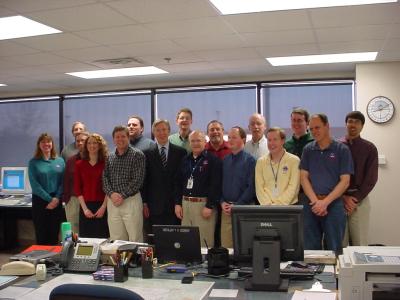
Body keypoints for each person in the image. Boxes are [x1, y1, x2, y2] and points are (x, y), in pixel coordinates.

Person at [300, 114, 353, 253]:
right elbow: (303, 178)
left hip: (334, 205)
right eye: (311, 129)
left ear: (327, 126)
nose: (314, 131)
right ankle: (313, 274)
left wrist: (325, 202)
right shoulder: (308, 149)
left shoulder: (342, 150)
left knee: (334, 249)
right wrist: (316, 202)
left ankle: (334, 276)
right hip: (311, 204)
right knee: (310, 249)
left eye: (317, 127)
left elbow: (345, 181)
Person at [175, 130, 222, 247]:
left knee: (204, 242)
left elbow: (216, 185)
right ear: (189, 143)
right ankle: (189, 264)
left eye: (198, 140)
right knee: (186, 241)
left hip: (204, 206)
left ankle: (205, 265)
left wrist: (209, 205)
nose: (195, 143)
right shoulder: (185, 160)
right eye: (193, 141)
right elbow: (178, 183)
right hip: (186, 204)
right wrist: (177, 203)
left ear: (205, 142)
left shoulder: (213, 160)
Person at [341, 111, 378, 246]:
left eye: (357, 122)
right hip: (338, 201)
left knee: (360, 243)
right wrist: (343, 197)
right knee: (339, 244)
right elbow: (331, 175)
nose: (353, 125)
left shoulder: (369, 148)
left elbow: (371, 179)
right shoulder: (336, 146)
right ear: (346, 124)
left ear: (362, 126)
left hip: (360, 201)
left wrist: (354, 199)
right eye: (350, 121)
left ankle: (360, 268)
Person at [103, 126, 146, 242]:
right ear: (113, 139)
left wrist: (121, 195)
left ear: (128, 137)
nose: (120, 139)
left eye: (123, 136)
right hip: (113, 202)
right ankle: (120, 261)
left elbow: (138, 180)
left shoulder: (137, 155)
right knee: (116, 238)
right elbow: (105, 178)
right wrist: (112, 194)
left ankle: (136, 260)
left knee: (135, 237)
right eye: (117, 137)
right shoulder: (109, 156)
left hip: (131, 201)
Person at [143, 119, 186, 229]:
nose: (161, 133)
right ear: (154, 132)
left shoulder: (180, 152)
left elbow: (182, 180)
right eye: (158, 130)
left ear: (169, 131)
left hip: (175, 205)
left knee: (175, 240)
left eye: (164, 129)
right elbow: (145, 180)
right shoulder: (146, 153)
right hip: (154, 206)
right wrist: (145, 203)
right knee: (156, 240)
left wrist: (179, 202)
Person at [220, 126, 256, 248]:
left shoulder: (250, 161)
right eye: (229, 137)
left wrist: (237, 205)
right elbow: (218, 185)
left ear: (244, 139)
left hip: (244, 209)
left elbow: (251, 187)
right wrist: (221, 202)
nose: (230, 140)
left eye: (234, 137)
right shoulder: (225, 161)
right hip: (226, 211)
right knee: (226, 248)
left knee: (244, 246)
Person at [28, 133, 65, 245]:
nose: (46, 144)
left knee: (54, 233)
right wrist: (50, 199)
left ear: (52, 144)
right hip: (40, 201)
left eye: (48, 141)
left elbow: (63, 182)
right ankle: (41, 260)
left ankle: (53, 260)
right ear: (39, 145)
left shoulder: (60, 161)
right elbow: (35, 185)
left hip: (56, 200)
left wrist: (56, 198)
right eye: (43, 142)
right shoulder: (34, 162)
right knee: (41, 234)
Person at [74, 133, 110, 238]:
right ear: (86, 146)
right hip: (85, 207)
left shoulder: (106, 163)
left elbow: (109, 187)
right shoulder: (79, 164)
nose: (92, 145)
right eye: (89, 143)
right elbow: (77, 189)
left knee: (102, 238)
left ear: (100, 146)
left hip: (103, 206)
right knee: (86, 239)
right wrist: (85, 209)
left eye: (95, 143)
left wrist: (103, 207)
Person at [255, 127, 300, 205]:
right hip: (267, 208)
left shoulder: (294, 161)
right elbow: (259, 188)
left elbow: (293, 187)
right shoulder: (260, 162)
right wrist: (268, 205)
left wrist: (278, 205)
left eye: (275, 139)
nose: (271, 143)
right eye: (269, 140)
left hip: (289, 208)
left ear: (283, 141)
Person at [62, 131, 89, 234]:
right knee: (73, 231)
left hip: (89, 200)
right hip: (73, 200)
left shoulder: (95, 159)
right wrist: (66, 200)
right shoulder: (71, 160)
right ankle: (73, 249)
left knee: (88, 230)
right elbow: (66, 181)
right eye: (78, 141)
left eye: (83, 140)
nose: (80, 143)